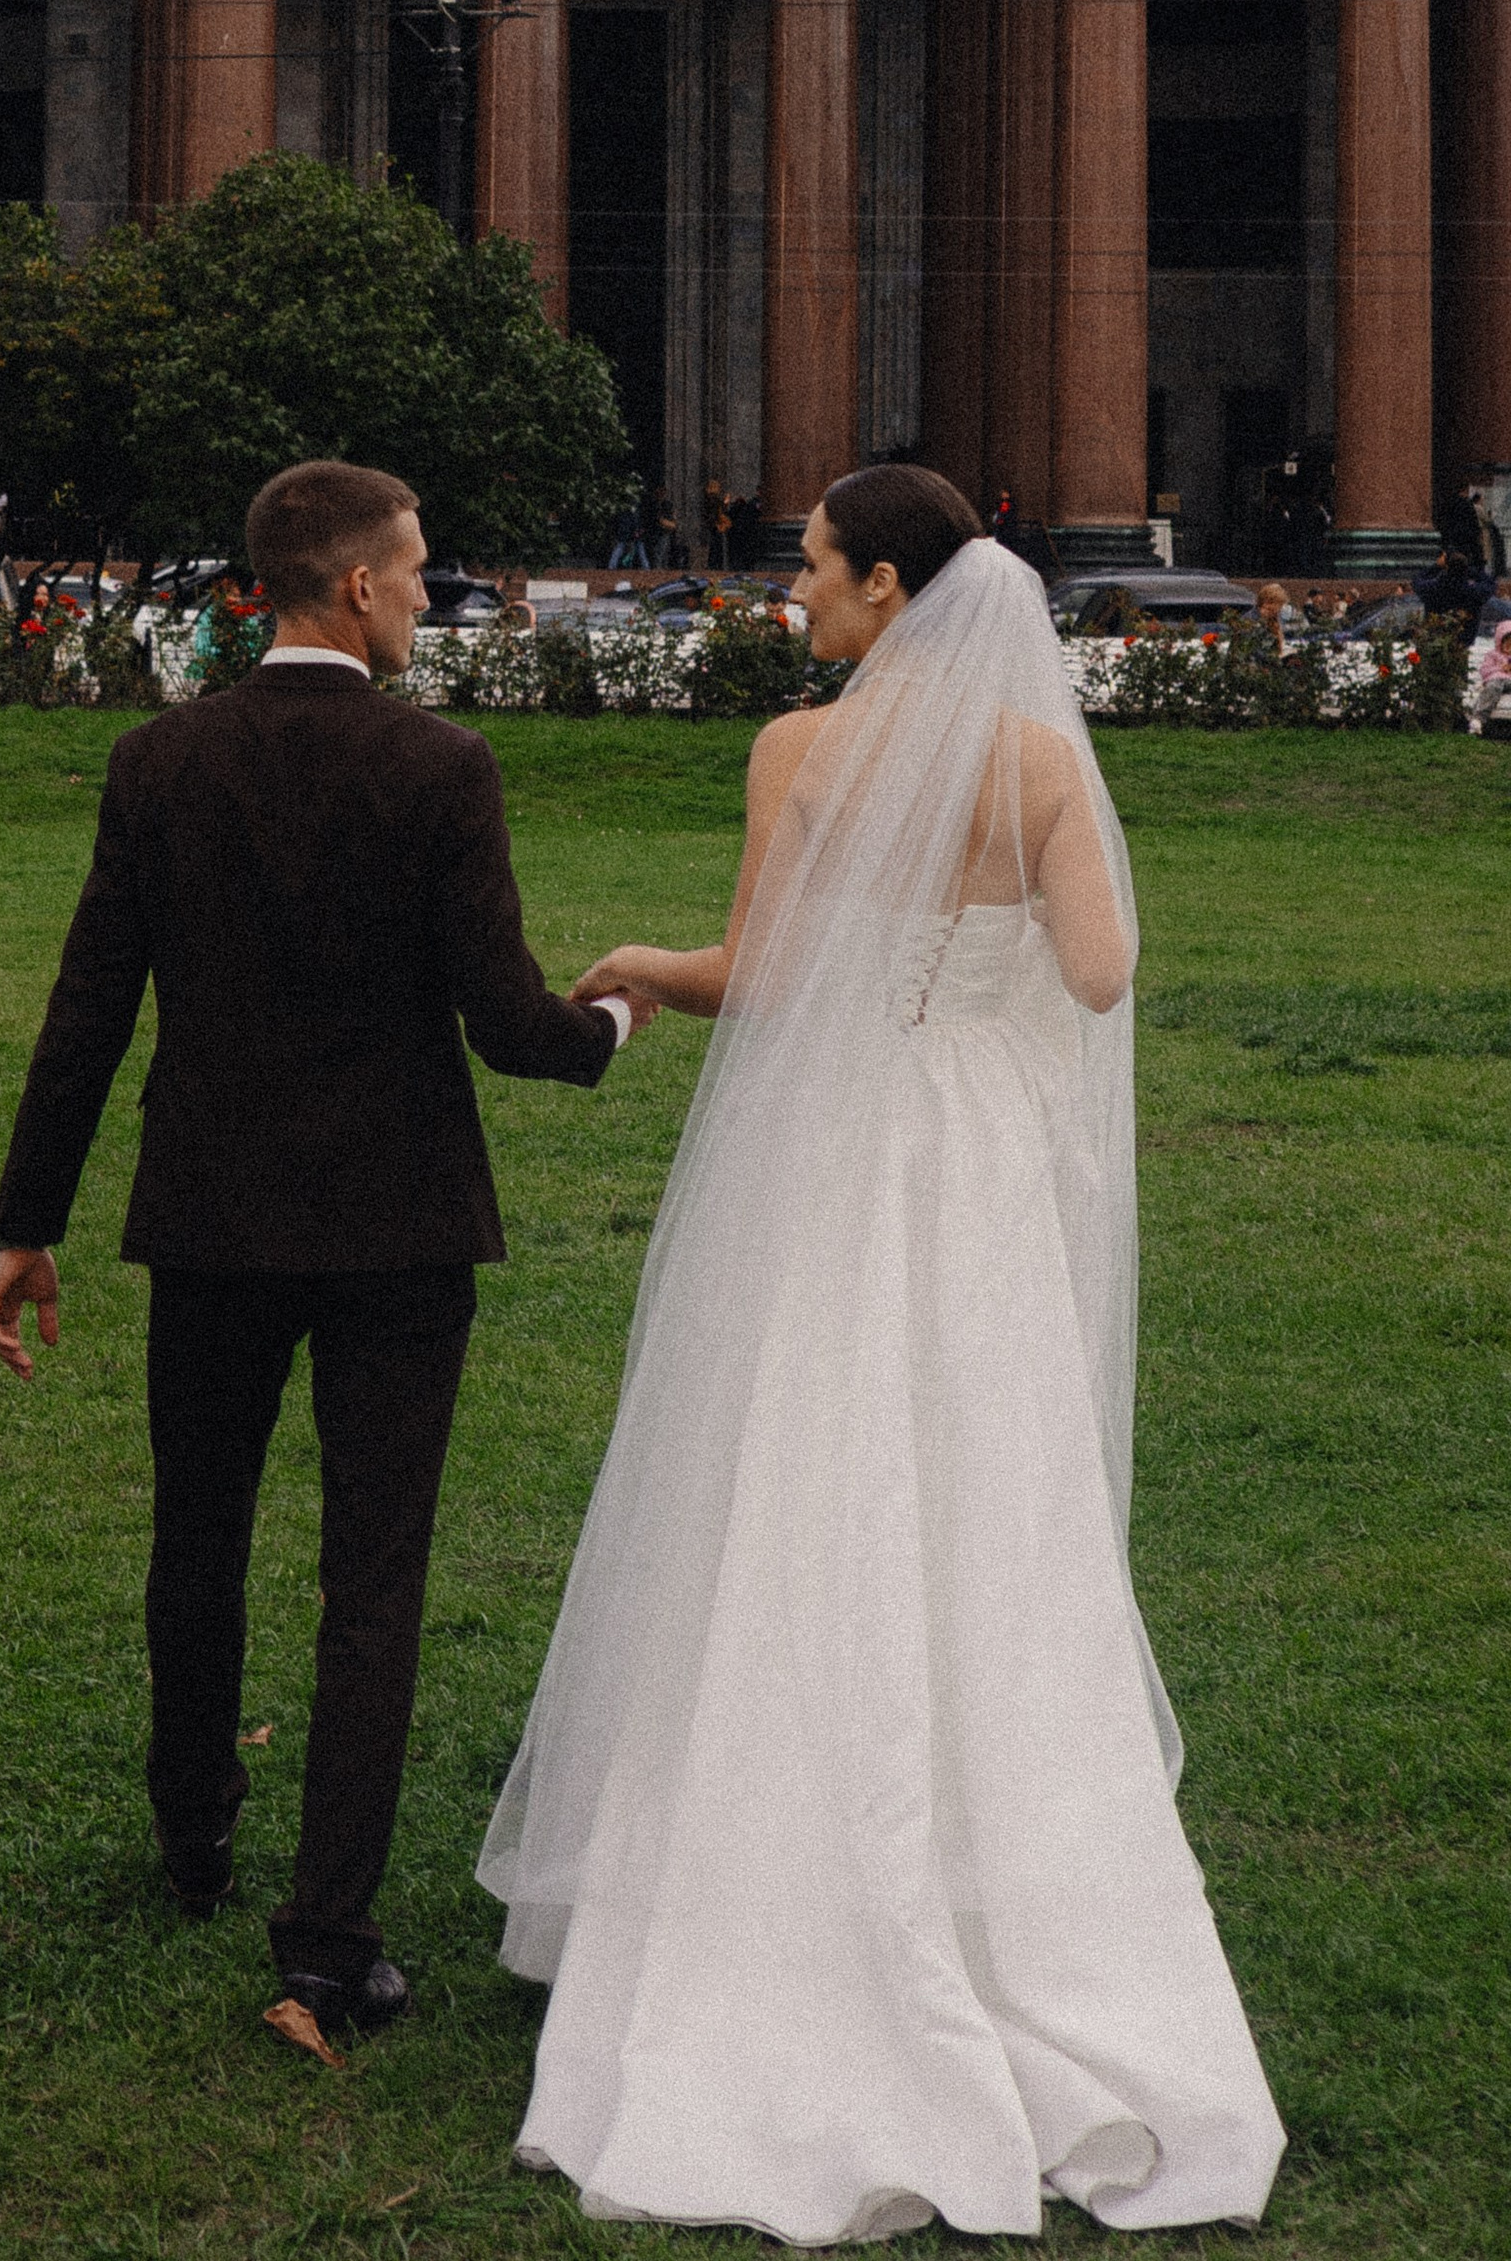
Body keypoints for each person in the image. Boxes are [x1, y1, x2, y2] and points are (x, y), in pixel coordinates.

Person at [481, 464, 1283, 2237]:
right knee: (992, 1484)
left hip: (848, 1154)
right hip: (981, 1162)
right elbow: (1100, 976)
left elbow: (764, 976)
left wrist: (644, 961)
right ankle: (1017, 1886)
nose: (801, 597)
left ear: (891, 588)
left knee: (811, 1464)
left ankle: (780, 1871)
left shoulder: (803, 752)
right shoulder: (1043, 764)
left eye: (819, 569)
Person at [0, 460, 656, 2045]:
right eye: (415, 573)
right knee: (375, 1577)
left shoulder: (158, 761)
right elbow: (509, 1025)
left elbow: (88, 1012)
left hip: (211, 1219)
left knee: (198, 1536)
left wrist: (28, 1223)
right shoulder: (441, 765)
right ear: (354, 586)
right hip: (397, 1232)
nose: (426, 596)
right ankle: (330, 1949)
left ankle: (192, 1834)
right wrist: (622, 1017)